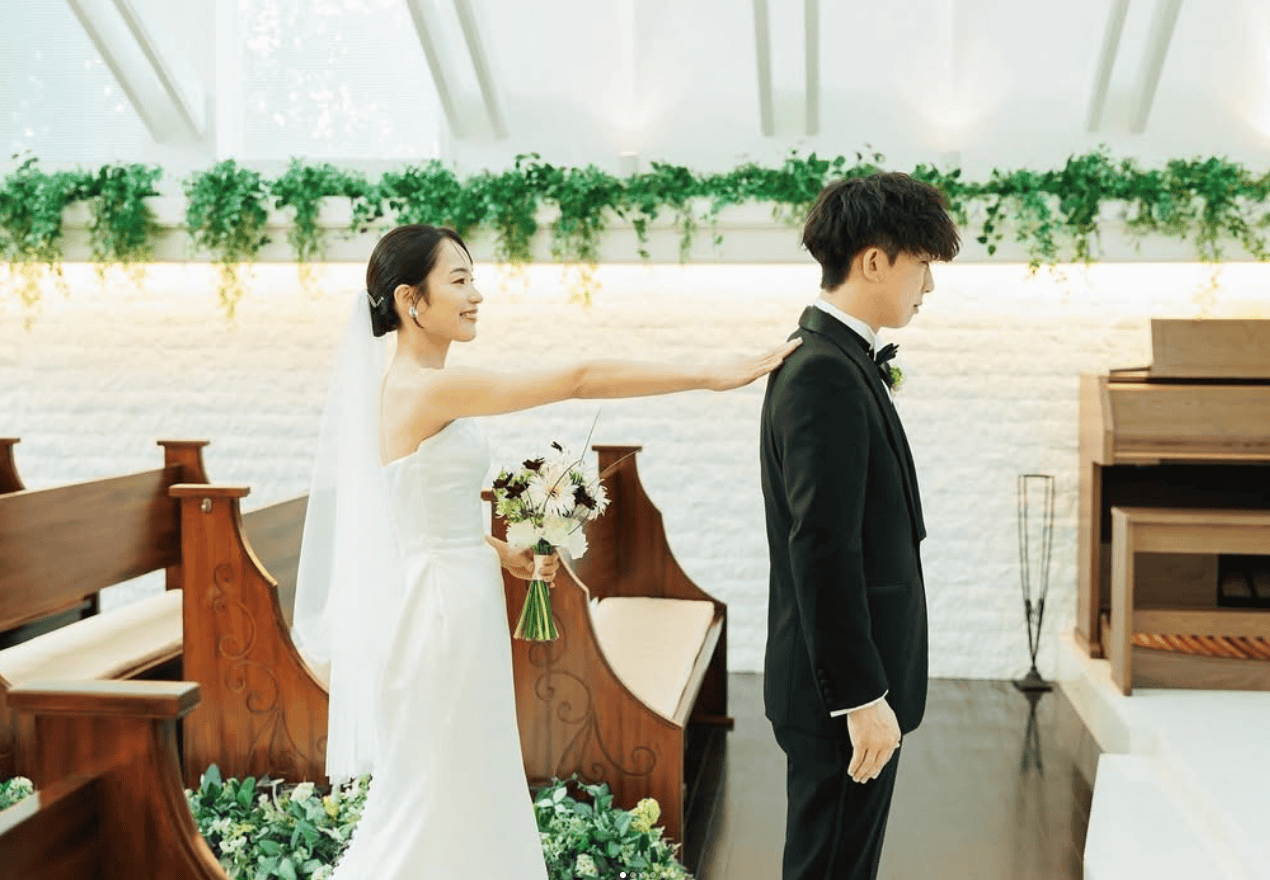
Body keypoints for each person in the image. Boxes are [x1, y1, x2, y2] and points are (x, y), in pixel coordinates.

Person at [290, 223, 800, 879]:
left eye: (474, 279)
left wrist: (499, 551)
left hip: (448, 594)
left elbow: (408, 515)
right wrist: (707, 374)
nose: (477, 295)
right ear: (410, 300)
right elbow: (579, 378)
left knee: (457, 771)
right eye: (459, 280)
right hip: (439, 612)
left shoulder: (407, 386)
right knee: (437, 780)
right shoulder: (426, 388)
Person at [759, 172, 959, 880]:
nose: (928, 286)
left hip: (852, 684)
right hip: (841, 696)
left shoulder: (839, 357)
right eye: (923, 263)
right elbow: (822, 546)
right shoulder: (824, 372)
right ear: (875, 261)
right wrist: (861, 697)